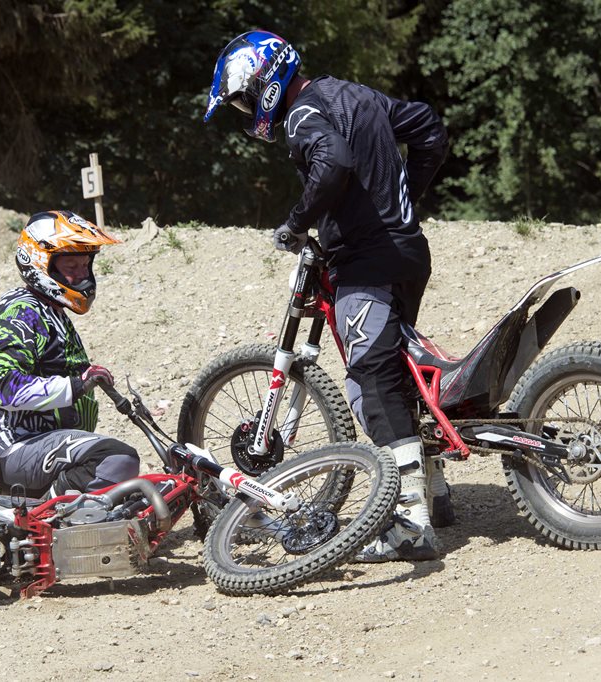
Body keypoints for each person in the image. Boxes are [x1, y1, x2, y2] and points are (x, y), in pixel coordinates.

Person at [204, 30, 451, 561]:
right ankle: (434, 491)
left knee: (373, 379)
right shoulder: (359, 95)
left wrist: (297, 223)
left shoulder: (301, 114)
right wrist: (405, 198)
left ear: (266, 79)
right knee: (397, 369)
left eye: (245, 98)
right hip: (408, 253)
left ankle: (410, 524)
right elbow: (429, 128)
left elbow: (333, 160)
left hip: (367, 261)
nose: (248, 111)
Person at [0, 210, 140, 498]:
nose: (82, 275)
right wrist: (76, 385)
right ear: (42, 264)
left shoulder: (51, 312)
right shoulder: (21, 311)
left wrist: (85, 377)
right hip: (15, 443)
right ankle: (45, 511)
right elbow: (3, 386)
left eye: (85, 265)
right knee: (116, 459)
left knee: (126, 486)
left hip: (44, 443)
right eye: (71, 265)